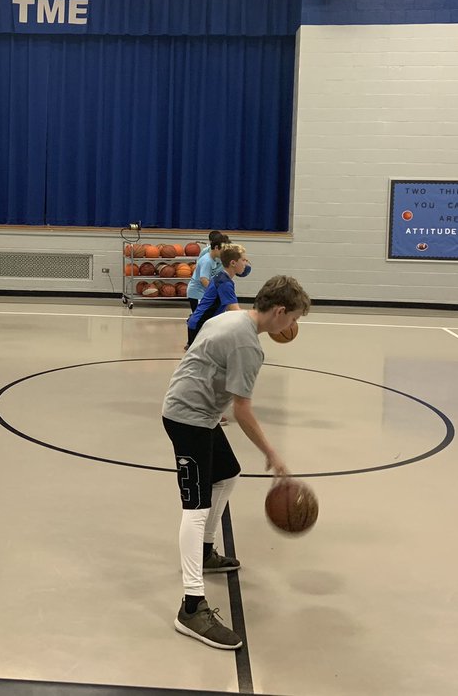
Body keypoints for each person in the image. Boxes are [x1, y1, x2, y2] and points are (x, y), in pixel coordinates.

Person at [162, 275, 311, 649]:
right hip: (188, 418)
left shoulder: (230, 317)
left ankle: (205, 552)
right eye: (292, 318)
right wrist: (272, 454)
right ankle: (191, 608)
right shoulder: (249, 346)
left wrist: (215, 401)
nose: (291, 327)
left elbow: (200, 359)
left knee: (227, 475)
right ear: (279, 312)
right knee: (195, 507)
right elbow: (244, 410)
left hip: (200, 412)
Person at [185, 243, 251, 349]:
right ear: (233, 263)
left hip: (201, 324)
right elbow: (235, 310)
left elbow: (229, 310)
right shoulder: (225, 283)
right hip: (200, 325)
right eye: (243, 260)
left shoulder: (220, 276)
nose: (246, 263)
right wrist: (256, 318)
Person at [186, 231, 229, 312]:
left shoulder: (217, 258)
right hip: (198, 293)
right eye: (223, 249)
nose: (224, 252)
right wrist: (216, 292)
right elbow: (204, 280)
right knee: (199, 318)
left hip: (205, 291)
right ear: (216, 248)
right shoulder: (207, 260)